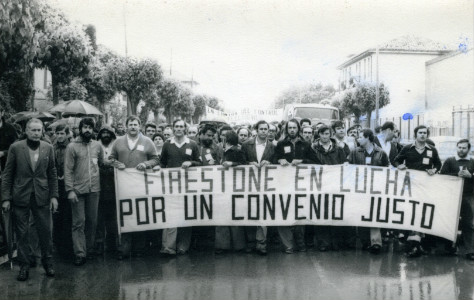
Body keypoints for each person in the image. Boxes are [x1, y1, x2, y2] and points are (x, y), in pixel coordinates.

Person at [1, 118, 58, 281]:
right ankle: (24, 266)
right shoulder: (16, 148)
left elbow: (52, 173)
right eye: (32, 130)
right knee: (22, 233)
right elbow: (7, 174)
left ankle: (48, 263)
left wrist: (54, 196)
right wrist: (5, 198)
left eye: (39, 130)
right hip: (21, 196)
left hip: (42, 196)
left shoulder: (48, 148)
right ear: (26, 131)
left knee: (46, 232)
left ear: (42, 131)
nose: (36, 133)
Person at [109, 115, 160, 259]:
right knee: (125, 216)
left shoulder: (147, 141)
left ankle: (139, 249)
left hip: (140, 185)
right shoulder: (118, 142)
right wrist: (117, 164)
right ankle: (123, 250)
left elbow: (156, 159)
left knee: (140, 215)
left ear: (140, 126)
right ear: (126, 126)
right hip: (123, 186)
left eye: (135, 124)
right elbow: (111, 158)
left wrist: (146, 164)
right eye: (130, 124)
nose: (133, 127)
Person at [394, 125, 442, 258]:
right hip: (410, 186)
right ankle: (412, 242)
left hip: (425, 187)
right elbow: (396, 160)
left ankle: (416, 243)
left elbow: (438, 164)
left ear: (427, 135)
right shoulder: (407, 148)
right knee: (410, 211)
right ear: (415, 135)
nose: (422, 135)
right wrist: (400, 165)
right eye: (420, 133)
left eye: (425, 133)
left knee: (421, 212)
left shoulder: (432, 150)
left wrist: (434, 170)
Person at [158, 119, 201, 256]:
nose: (178, 129)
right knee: (170, 215)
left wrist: (191, 162)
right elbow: (162, 163)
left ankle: (183, 246)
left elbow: (200, 163)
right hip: (171, 185)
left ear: (185, 129)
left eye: (181, 126)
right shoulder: (167, 144)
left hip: (188, 185)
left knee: (185, 216)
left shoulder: (192, 144)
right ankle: (168, 247)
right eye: (176, 126)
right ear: (172, 128)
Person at [64, 118, 104, 266]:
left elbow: (101, 162)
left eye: (90, 128)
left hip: (94, 189)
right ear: (80, 129)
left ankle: (89, 249)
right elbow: (67, 170)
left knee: (92, 221)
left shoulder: (97, 146)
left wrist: (114, 163)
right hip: (77, 190)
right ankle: (80, 253)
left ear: (93, 130)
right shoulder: (72, 147)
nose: (87, 130)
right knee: (79, 222)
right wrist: (70, 190)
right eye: (85, 127)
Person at [274, 119, 316, 253]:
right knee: (284, 213)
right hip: (284, 184)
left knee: (300, 214)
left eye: (294, 128)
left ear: (298, 129)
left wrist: (303, 161)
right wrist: (279, 160)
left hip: (301, 185)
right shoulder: (281, 144)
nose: (292, 130)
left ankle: (300, 242)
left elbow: (315, 161)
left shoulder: (305, 144)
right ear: (287, 129)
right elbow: (273, 159)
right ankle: (288, 245)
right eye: (290, 128)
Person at [348, 129, 389, 254]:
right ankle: (365, 242)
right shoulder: (355, 152)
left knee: (374, 214)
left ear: (368, 138)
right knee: (361, 214)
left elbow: (387, 169)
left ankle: (376, 243)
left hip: (376, 189)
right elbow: (349, 168)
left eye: (360, 137)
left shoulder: (381, 153)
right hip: (360, 189)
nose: (357, 139)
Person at [311, 125, 348, 251]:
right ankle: (323, 243)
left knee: (336, 213)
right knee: (321, 213)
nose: (325, 136)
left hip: (335, 185)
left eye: (327, 134)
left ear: (330, 134)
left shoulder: (339, 149)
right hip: (319, 185)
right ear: (319, 135)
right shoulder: (313, 149)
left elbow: (344, 164)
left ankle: (336, 242)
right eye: (322, 134)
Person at [241, 120, 276, 255]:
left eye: (265, 129)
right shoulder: (246, 145)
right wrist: (249, 163)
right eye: (261, 129)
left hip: (266, 185)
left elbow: (277, 162)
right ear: (256, 130)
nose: (263, 131)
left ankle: (261, 244)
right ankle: (250, 242)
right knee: (250, 213)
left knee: (263, 213)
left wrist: (271, 163)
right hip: (249, 184)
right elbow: (241, 161)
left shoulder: (272, 147)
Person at [439, 139, 474, 260]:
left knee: (468, 223)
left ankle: (470, 250)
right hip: (452, 196)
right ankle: (449, 247)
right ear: (456, 148)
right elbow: (442, 176)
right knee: (450, 222)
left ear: (468, 149)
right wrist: (456, 175)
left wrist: (470, 176)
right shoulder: (450, 160)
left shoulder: (472, 161)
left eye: (464, 148)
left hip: (468, 195)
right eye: (459, 147)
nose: (461, 150)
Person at [215, 130, 246, 254]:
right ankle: (223, 245)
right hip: (223, 186)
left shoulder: (237, 150)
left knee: (234, 216)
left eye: (223, 137)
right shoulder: (221, 150)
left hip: (234, 187)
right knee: (223, 217)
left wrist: (232, 164)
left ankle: (237, 245)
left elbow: (244, 164)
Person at [94, 125, 117, 255]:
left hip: (113, 184)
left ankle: (112, 243)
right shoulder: (96, 146)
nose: (106, 135)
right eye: (103, 133)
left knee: (112, 217)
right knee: (98, 217)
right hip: (99, 183)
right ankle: (99, 243)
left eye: (108, 133)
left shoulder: (116, 145)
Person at [52, 124, 73, 258]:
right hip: (56, 185)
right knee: (57, 217)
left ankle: (68, 247)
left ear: (67, 134)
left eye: (62, 133)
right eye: (57, 133)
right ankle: (58, 246)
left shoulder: (71, 147)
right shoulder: (52, 148)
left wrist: (66, 176)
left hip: (68, 185)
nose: (60, 136)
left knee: (68, 217)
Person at [0, 106, 18, 170]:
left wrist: (4, 153)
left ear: (2, 113)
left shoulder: (10, 128)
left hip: (7, 165)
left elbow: (17, 147)